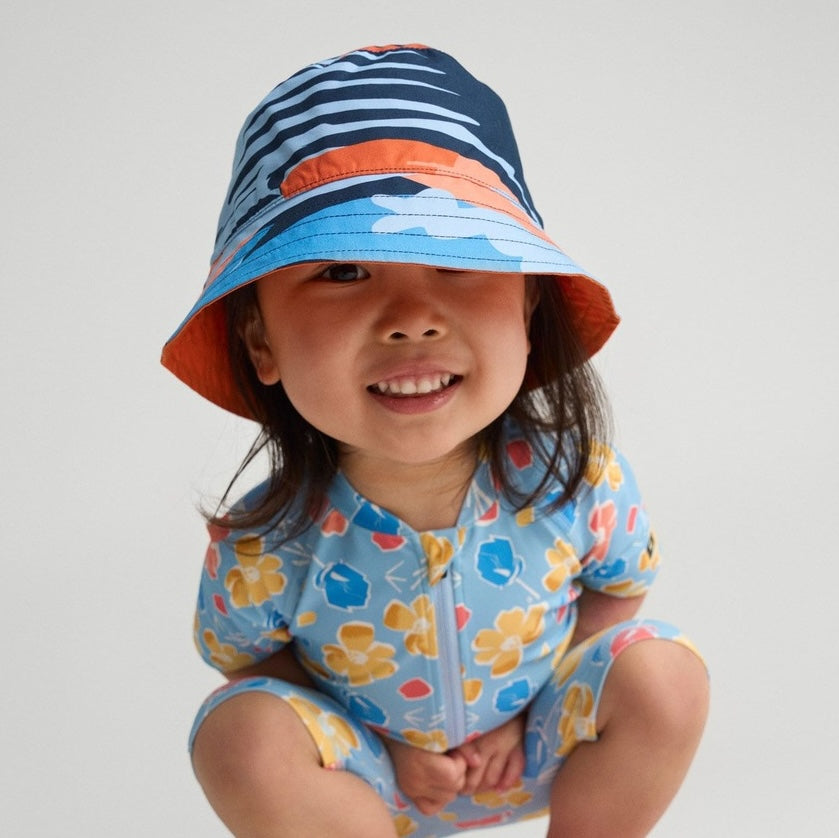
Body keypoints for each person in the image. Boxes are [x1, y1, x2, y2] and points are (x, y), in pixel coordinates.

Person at [161, 44, 709, 838]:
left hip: (530, 749)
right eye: (343, 272)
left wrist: (526, 717)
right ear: (260, 343)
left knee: (663, 672)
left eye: (457, 261)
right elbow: (245, 657)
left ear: (527, 309)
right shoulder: (266, 541)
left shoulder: (574, 480)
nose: (411, 318)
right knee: (239, 732)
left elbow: (620, 585)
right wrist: (389, 749)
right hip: (373, 780)